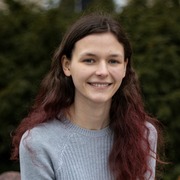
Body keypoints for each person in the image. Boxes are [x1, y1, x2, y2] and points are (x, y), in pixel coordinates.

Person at [11, 13, 161, 180]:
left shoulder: (144, 135)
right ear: (67, 65)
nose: (102, 72)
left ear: (125, 67)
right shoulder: (39, 143)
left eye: (113, 61)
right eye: (89, 60)